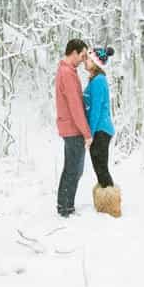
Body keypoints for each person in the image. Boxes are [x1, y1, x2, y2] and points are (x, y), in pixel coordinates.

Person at [54, 39, 92, 217]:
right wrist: (86, 133)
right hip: (72, 128)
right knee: (74, 169)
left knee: (72, 168)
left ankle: (65, 206)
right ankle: (65, 208)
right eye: (82, 55)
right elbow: (75, 106)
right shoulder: (67, 74)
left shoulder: (66, 71)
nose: (83, 59)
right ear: (74, 52)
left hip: (69, 126)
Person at [84, 47, 116, 190]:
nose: (86, 61)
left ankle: (111, 202)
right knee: (100, 168)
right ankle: (107, 198)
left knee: (101, 169)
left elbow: (96, 109)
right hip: (100, 129)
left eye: (89, 60)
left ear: (96, 63)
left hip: (100, 130)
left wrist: (89, 134)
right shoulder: (96, 80)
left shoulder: (98, 81)